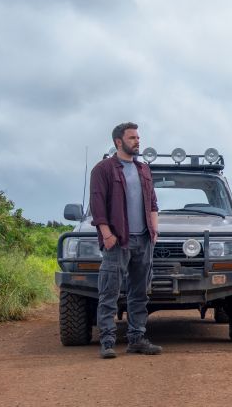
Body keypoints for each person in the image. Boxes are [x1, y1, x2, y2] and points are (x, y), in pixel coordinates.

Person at [90, 122, 161, 359]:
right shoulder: (103, 169)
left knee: (140, 293)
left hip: (143, 239)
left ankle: (137, 339)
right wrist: (107, 234)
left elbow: (152, 202)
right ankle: (107, 342)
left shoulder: (143, 169)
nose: (137, 141)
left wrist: (154, 229)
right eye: (132, 138)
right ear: (118, 142)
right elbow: (97, 205)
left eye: (138, 137)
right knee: (109, 292)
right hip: (118, 240)